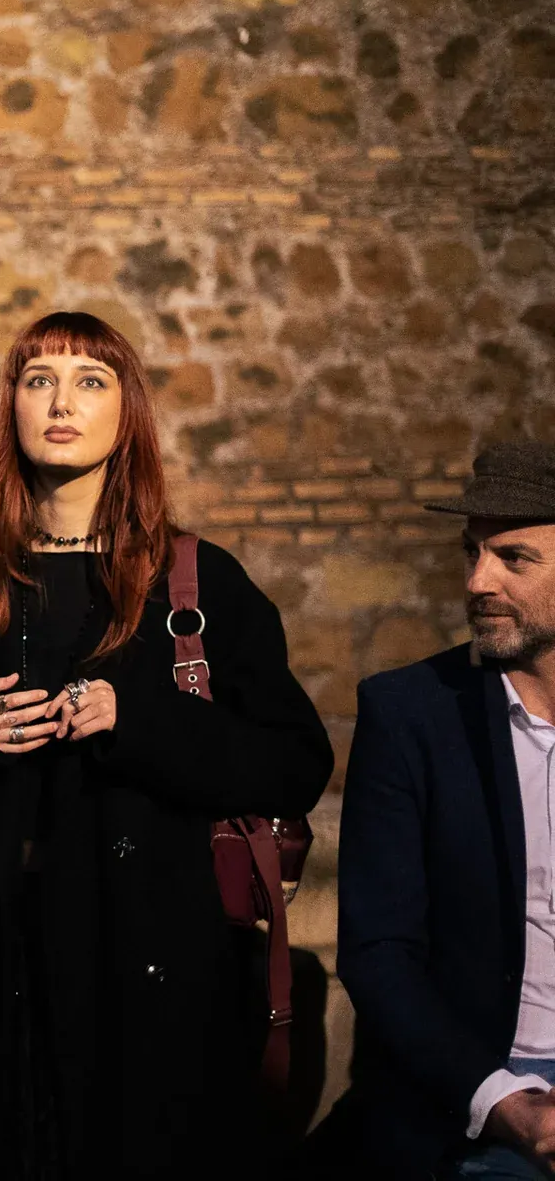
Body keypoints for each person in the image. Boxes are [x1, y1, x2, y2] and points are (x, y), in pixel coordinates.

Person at [0, 310, 332, 1179]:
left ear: (129, 414)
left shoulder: (195, 579)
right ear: (11, 407)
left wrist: (139, 718)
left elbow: (296, 759)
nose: (61, 401)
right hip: (1, 972)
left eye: (91, 380)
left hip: (155, 977)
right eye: (39, 379)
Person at [336, 442, 555, 1179]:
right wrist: (503, 1100)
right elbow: (378, 953)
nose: (477, 581)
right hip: (481, 1098)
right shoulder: (410, 714)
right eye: (472, 552)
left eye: (513, 558)